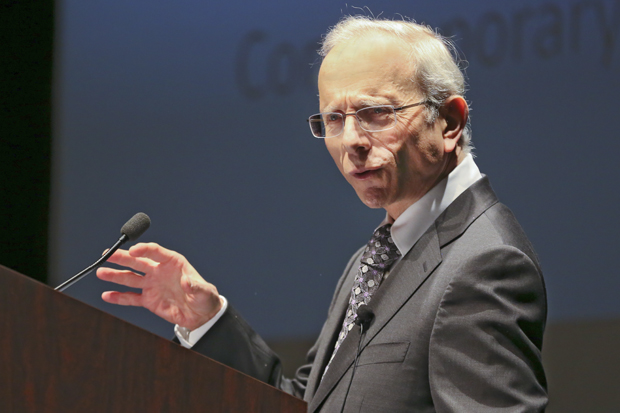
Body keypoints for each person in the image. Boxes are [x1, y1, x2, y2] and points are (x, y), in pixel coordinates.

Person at [97, 16, 548, 412]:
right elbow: (309, 404)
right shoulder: (378, 256)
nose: (351, 139)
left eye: (375, 112)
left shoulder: (484, 263)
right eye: (333, 119)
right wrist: (208, 320)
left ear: (449, 123)